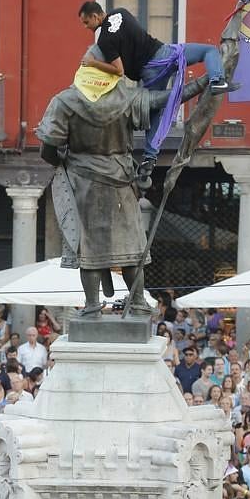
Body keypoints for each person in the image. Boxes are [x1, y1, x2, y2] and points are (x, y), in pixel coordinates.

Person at [36, 49, 172, 316]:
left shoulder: (64, 101)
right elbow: (162, 100)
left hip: (83, 181)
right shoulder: (128, 98)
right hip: (121, 179)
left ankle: (91, 307)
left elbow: (48, 148)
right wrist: (202, 84)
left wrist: (62, 160)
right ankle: (138, 303)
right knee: (132, 247)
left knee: (89, 247)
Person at [77, 0, 234, 182]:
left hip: (150, 73)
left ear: (95, 16)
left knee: (155, 112)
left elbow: (119, 71)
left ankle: (150, 158)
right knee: (208, 51)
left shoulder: (104, 41)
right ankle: (217, 81)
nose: (85, 26)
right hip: (164, 55)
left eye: (86, 22)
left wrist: (92, 62)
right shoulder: (121, 12)